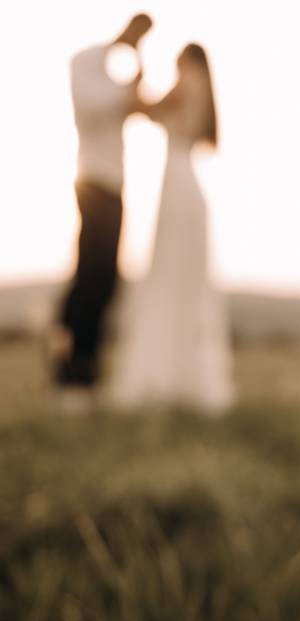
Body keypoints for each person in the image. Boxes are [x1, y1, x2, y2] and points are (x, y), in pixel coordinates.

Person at [108, 43, 234, 413]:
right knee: (185, 281)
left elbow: (142, 109)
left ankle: (163, 374)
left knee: (166, 276)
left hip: (177, 185)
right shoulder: (202, 89)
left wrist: (134, 79)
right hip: (188, 184)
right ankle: (184, 374)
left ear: (186, 59)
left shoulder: (185, 82)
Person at [54, 14, 153, 406]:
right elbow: (122, 101)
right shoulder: (85, 69)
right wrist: (127, 48)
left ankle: (87, 366)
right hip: (93, 185)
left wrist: (135, 60)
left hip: (114, 188)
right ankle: (73, 370)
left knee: (106, 279)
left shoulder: (109, 79)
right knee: (91, 277)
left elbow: (133, 100)